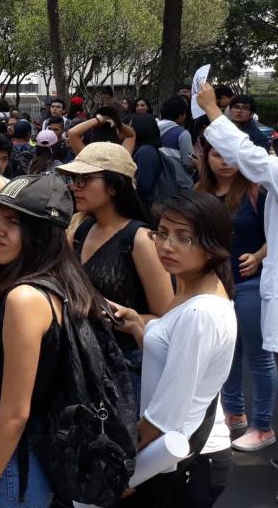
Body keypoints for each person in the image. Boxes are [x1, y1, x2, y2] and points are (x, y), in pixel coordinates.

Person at [0, 108, 104, 507]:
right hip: (17, 450)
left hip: (11, 454)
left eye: (12, 223)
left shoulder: (25, 298)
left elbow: (14, 413)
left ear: (39, 235)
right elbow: (17, 199)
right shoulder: (58, 272)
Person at [112, 192, 237, 507]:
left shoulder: (200, 314)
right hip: (181, 454)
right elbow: (174, 363)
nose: (167, 245)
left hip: (184, 459)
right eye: (162, 233)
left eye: (185, 238)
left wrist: (121, 465)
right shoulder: (191, 289)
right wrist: (140, 327)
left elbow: (165, 415)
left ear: (212, 246)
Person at [57, 142, 173, 400]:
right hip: (81, 362)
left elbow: (164, 320)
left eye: (85, 179)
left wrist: (124, 319)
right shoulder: (81, 229)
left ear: (113, 185)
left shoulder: (140, 239)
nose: (75, 186)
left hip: (126, 370)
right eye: (73, 179)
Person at [196, 138, 274, 451]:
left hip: (250, 283)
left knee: (258, 356)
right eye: (217, 154)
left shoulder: (257, 191)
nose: (224, 161)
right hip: (214, 287)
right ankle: (233, 414)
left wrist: (259, 255)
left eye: (230, 155)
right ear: (207, 157)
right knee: (226, 353)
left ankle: (263, 425)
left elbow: (276, 233)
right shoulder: (199, 193)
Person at [127, 114, 163, 208]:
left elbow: (144, 185)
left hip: (144, 205)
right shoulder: (143, 149)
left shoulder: (146, 152)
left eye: (131, 127)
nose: (129, 130)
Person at [158, 96, 196, 174]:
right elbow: (189, 163)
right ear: (180, 115)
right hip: (179, 180)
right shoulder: (182, 134)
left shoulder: (153, 128)